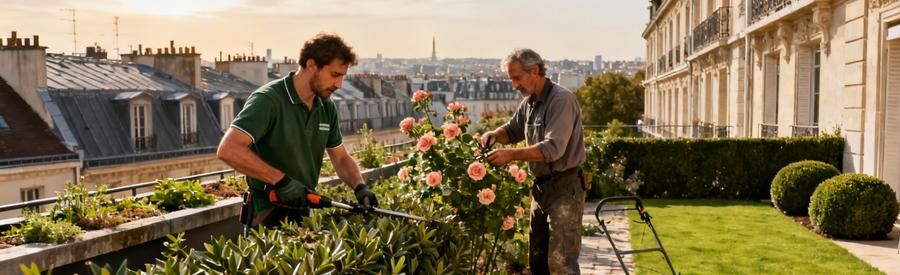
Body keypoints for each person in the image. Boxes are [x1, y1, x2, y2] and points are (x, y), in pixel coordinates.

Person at [217, 33, 377, 227]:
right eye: (334, 75)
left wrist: (360, 187)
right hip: (266, 212)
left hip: (303, 211)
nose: (339, 84)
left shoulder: (326, 106)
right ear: (311, 65)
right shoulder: (269, 100)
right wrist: (281, 182)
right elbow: (229, 149)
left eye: (342, 77)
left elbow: (341, 158)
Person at [481, 48, 587, 274]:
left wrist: (510, 154)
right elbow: (512, 129)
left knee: (561, 264)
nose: (514, 85)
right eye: (511, 79)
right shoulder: (529, 102)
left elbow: (553, 149)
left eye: (517, 78)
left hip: (564, 189)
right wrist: (494, 135)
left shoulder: (561, 100)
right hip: (541, 189)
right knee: (538, 261)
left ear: (535, 71)